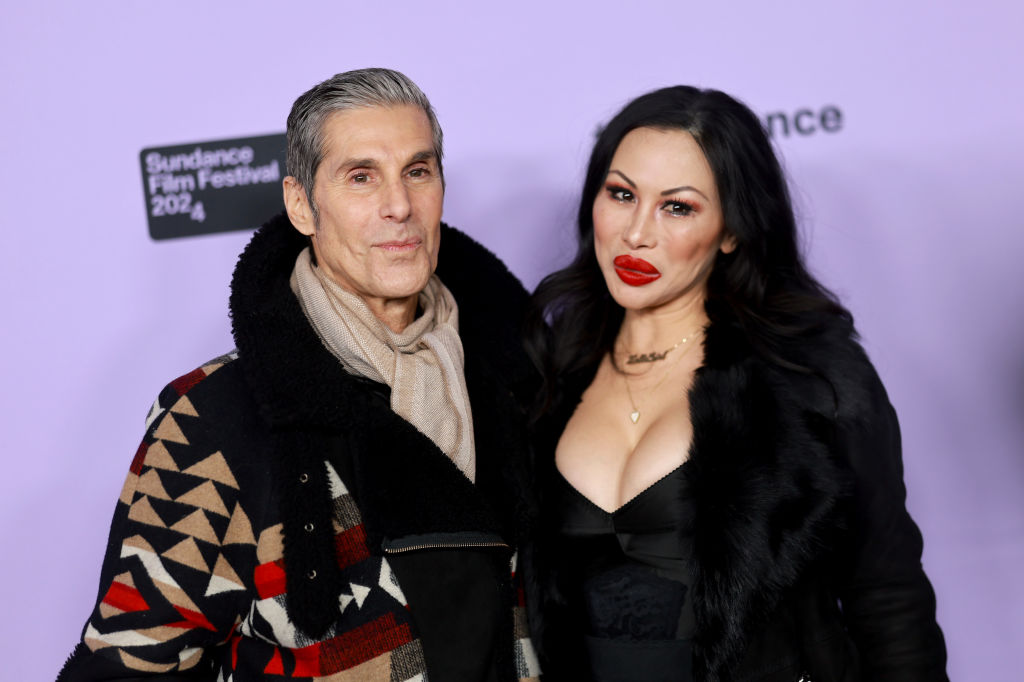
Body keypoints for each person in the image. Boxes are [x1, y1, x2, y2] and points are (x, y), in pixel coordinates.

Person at [59, 68, 539, 682]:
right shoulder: (217, 416)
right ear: (300, 204)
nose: (399, 206)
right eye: (361, 177)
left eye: (418, 171)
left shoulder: (510, 385)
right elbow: (128, 666)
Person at [523, 86, 948, 681]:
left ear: (731, 230)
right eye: (621, 195)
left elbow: (888, 594)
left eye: (678, 207)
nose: (636, 233)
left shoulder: (810, 380)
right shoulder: (546, 373)